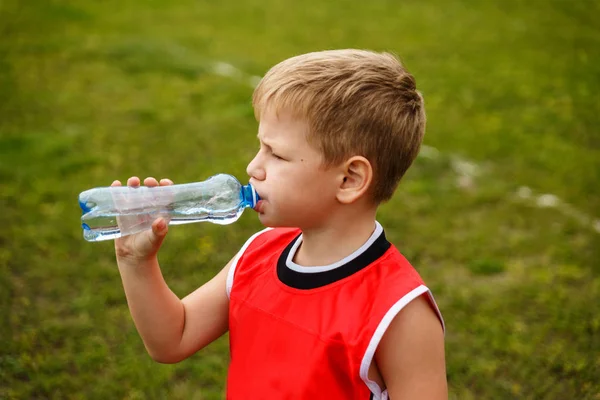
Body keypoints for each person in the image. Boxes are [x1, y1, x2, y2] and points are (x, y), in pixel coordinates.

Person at [111, 49, 447, 399]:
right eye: (260, 147)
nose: (253, 167)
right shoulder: (258, 253)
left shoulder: (399, 312)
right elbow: (172, 339)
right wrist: (136, 262)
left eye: (277, 154)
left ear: (349, 179)